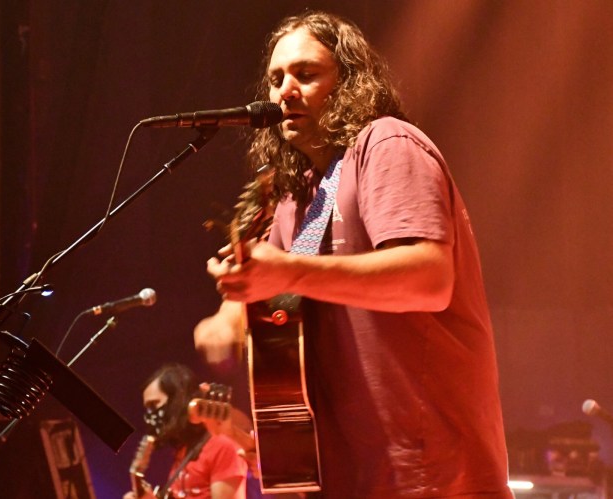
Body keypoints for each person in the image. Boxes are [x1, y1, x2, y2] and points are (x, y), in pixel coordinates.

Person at [194, 10, 513, 499]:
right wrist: (230, 311)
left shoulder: (386, 145)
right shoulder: (295, 196)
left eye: (306, 73)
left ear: (348, 83)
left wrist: (290, 272)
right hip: (344, 475)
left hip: (429, 471)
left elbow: (428, 279)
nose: (284, 91)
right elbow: (277, 284)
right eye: (276, 78)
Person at [123, 363, 248, 499]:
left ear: (177, 400)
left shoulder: (222, 446)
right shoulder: (183, 452)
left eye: (154, 404)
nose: (150, 415)